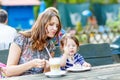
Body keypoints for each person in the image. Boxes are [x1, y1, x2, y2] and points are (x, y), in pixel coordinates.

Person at [2, 8, 62, 77]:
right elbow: (8, 71)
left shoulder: (50, 46)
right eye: (51, 24)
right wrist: (31, 64)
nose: (55, 28)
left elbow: (45, 74)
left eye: (57, 26)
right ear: (42, 24)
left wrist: (47, 68)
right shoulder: (21, 38)